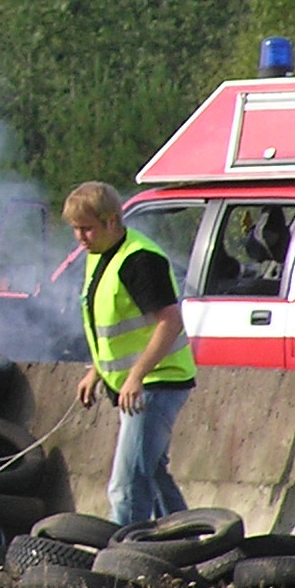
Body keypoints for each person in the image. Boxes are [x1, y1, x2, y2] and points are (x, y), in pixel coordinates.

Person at [66, 181, 196, 525]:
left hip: (157, 382)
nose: (80, 237)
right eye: (75, 229)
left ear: (112, 221)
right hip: (135, 383)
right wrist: (96, 371)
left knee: (126, 486)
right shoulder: (100, 255)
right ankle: (191, 544)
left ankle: (127, 562)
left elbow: (170, 322)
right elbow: (115, 326)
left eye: (87, 228)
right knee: (152, 473)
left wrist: (136, 375)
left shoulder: (139, 260)